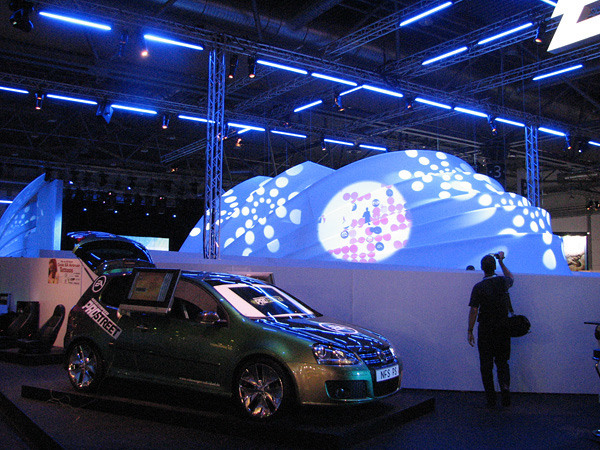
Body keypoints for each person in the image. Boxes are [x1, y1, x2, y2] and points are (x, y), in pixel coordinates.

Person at [468, 251, 514, 408]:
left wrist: (470, 330)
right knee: (502, 363)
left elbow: (474, 310)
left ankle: (491, 398)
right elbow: (511, 277)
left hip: (486, 329)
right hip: (503, 327)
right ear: (494, 267)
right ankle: (505, 391)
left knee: (486, 365)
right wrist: (501, 261)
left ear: (482, 268)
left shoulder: (478, 287)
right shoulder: (502, 282)